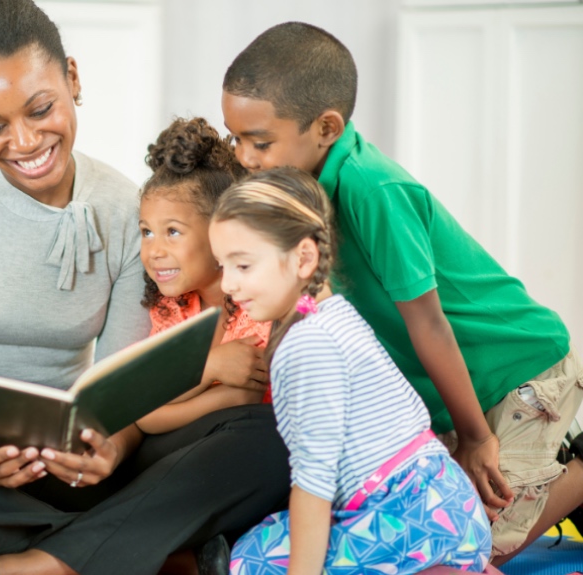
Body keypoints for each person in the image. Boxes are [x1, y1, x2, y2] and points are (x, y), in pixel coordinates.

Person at [0, 2, 290, 574]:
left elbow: (126, 389)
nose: (24, 141)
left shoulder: (124, 209)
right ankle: (154, 554)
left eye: (41, 109)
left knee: (269, 436)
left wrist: (111, 447)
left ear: (73, 79)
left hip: (88, 465)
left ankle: (28, 564)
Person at [220, 21, 582, 564]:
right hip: (454, 392)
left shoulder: (372, 187)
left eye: (260, 141)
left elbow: (428, 323)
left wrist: (477, 438)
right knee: (428, 542)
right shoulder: (299, 195)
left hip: (515, 369)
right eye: (236, 139)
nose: (245, 157)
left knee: (478, 546)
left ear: (326, 127)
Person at [211, 167, 492, 574]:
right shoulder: (335, 313)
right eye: (222, 266)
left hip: (413, 517)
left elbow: (314, 482)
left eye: (242, 266)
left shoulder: (307, 344)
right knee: (269, 535)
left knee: (249, 562)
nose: (227, 285)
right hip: (448, 503)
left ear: (304, 258)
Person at [135, 117, 273, 436]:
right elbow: (141, 410)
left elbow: (246, 402)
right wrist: (209, 367)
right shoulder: (173, 307)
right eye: (146, 232)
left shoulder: (257, 309)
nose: (153, 250)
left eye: (172, 232)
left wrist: (175, 392)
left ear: (220, 232)